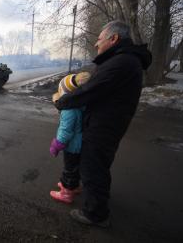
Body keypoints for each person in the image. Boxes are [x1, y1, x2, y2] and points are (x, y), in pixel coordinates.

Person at [53, 21, 152, 227]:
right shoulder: (125, 60)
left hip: (103, 126)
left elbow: (91, 90)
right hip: (108, 123)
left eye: (100, 39)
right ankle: (95, 199)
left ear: (113, 38)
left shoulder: (121, 62)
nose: (97, 44)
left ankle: (95, 214)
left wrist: (62, 102)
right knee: (96, 165)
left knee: (93, 167)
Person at [49, 72, 91, 204]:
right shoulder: (79, 105)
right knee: (75, 167)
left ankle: (67, 192)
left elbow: (66, 130)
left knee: (69, 169)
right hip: (79, 143)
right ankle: (74, 186)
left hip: (72, 146)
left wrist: (57, 144)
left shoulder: (68, 109)